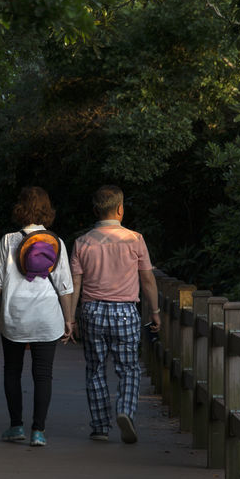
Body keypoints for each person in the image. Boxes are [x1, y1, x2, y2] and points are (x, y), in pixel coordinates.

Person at [0, 186, 75, 447]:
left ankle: (16, 426)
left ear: (20, 208)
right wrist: (69, 319)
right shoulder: (56, 242)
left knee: (12, 371)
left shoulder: (9, 241)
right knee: (43, 374)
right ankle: (38, 431)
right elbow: (65, 286)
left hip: (14, 315)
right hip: (46, 315)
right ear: (47, 209)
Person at [70, 185, 160, 444]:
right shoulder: (134, 239)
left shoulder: (82, 242)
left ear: (96, 210)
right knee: (129, 368)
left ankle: (99, 426)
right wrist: (155, 311)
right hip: (124, 312)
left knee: (95, 369)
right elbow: (148, 280)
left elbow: (75, 284)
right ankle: (125, 410)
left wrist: (71, 318)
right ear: (120, 209)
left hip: (92, 311)